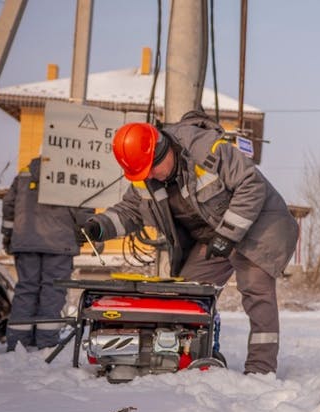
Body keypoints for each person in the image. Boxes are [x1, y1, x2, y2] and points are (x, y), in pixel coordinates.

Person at [81, 112, 299, 375]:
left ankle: (260, 370)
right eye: (144, 173)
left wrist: (228, 234)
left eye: (152, 169)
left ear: (163, 150)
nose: (150, 176)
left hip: (257, 228)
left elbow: (251, 185)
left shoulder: (207, 149)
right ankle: (188, 356)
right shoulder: (147, 177)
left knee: (256, 293)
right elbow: (130, 211)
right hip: (213, 236)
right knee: (187, 296)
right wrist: (99, 226)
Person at [1, 157, 95, 351]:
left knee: (26, 289)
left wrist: (8, 236)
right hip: (59, 242)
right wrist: (92, 235)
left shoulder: (25, 172)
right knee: (53, 291)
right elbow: (82, 209)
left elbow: (9, 205)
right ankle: (46, 344)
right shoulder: (72, 173)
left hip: (26, 241)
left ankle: (17, 342)